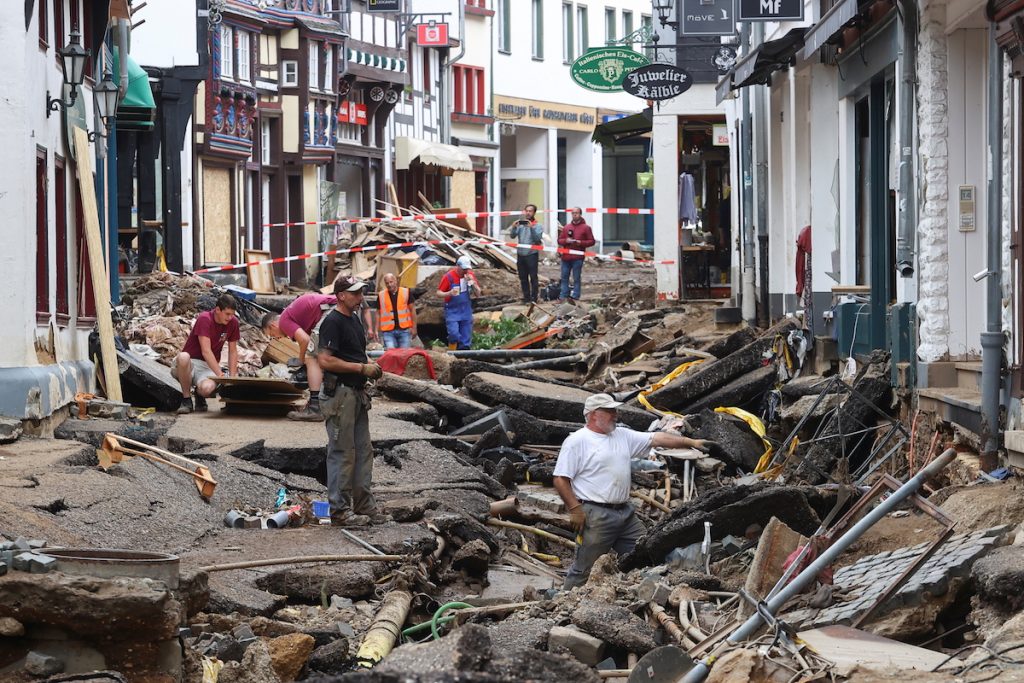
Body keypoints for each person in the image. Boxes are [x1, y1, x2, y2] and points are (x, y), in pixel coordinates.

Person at [553, 393, 713, 589]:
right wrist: (574, 508)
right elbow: (560, 479)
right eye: (610, 410)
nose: (616, 414)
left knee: (646, 550)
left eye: (615, 410)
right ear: (594, 414)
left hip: (625, 514)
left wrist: (692, 443)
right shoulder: (577, 441)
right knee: (585, 568)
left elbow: (657, 438)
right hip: (596, 516)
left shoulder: (622, 435)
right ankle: (564, 602)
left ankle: (642, 590)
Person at [316, 275, 388, 527]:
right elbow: (324, 360)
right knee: (342, 453)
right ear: (341, 296)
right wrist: (360, 368)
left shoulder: (354, 320)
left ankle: (363, 505)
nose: (360, 298)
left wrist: (367, 365)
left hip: (355, 394)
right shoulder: (332, 322)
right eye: (355, 293)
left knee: (363, 451)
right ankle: (339, 510)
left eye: (361, 293)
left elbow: (354, 353)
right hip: (340, 395)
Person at [261, 291, 338, 421]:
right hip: (339, 307)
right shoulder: (296, 318)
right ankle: (331, 401)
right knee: (327, 356)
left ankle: (314, 408)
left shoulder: (285, 320)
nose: (277, 338)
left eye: (272, 334)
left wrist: (301, 360)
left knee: (311, 358)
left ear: (273, 325)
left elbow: (305, 341)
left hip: (331, 310)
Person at [173, 294, 240, 414]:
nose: (230, 318)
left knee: (207, 389)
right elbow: (206, 351)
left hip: (207, 366)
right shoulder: (205, 318)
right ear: (218, 310)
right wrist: (220, 375)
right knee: (183, 356)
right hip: (189, 364)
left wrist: (232, 379)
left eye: (232, 314)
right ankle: (187, 400)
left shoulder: (233, 323)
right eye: (227, 314)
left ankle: (200, 395)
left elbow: (233, 351)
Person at [437, 255, 482, 350]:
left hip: (466, 310)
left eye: (467, 269)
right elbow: (438, 293)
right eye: (463, 269)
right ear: (457, 266)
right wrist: (449, 293)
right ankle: (452, 350)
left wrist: (472, 282)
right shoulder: (449, 277)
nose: (465, 271)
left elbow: (478, 293)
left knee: (466, 338)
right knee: (454, 334)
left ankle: (463, 357)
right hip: (452, 310)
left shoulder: (470, 275)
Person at [557, 207, 596, 303]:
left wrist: (580, 243)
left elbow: (591, 241)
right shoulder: (566, 227)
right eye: (573, 213)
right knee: (564, 276)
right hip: (566, 257)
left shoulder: (586, 228)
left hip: (578, 257)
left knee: (576, 277)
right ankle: (563, 296)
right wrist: (566, 241)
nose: (574, 215)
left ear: (580, 214)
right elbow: (559, 240)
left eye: (576, 213)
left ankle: (575, 296)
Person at [509, 204, 544, 303]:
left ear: (534, 213)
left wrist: (531, 228)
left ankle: (534, 298)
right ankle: (526, 297)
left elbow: (537, 239)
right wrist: (513, 227)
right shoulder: (520, 225)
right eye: (527, 211)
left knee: (533, 277)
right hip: (521, 254)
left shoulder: (538, 225)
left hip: (531, 254)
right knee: (523, 278)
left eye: (530, 211)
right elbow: (512, 236)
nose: (528, 213)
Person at [376, 273, 418, 349]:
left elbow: (412, 310)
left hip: (404, 330)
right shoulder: (381, 295)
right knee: (391, 354)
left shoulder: (406, 292)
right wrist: (376, 330)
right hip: (388, 331)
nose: (389, 284)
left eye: (391, 282)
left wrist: (414, 327)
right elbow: (378, 313)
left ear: (395, 281)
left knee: (404, 355)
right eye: (387, 283)